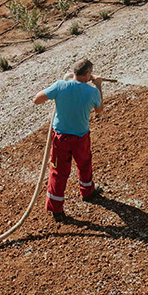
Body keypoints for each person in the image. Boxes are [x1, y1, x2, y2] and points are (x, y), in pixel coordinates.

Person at [33, 59, 104, 221]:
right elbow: (99, 111)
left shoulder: (60, 86)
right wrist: (98, 85)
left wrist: (63, 85)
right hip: (81, 137)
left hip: (61, 137)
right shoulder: (92, 92)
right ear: (88, 74)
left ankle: (56, 209)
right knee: (84, 163)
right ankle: (88, 192)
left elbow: (37, 100)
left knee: (58, 172)